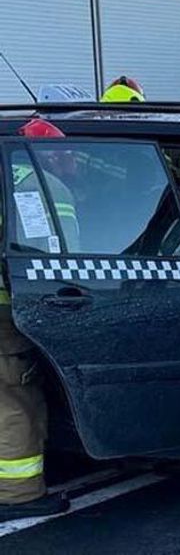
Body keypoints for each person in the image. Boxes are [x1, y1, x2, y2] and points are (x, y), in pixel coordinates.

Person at [0, 121, 75, 520]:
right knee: (16, 401)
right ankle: (18, 495)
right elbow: (58, 255)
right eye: (63, 153)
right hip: (9, 312)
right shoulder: (42, 187)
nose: (71, 159)